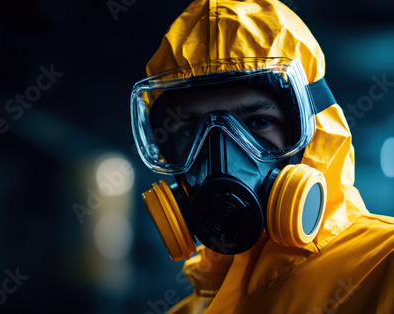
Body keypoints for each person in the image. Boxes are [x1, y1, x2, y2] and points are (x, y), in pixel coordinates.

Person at [130, 0, 394, 313]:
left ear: (315, 133)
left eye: (258, 122)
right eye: (190, 129)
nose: (221, 157)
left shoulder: (383, 267)